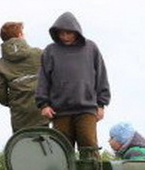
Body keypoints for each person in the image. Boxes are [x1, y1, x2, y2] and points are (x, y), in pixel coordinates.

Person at [36, 11, 111, 152]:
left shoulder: (90, 48)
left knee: (90, 149)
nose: (65, 37)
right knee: (61, 152)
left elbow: (101, 76)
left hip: (87, 109)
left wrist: (101, 104)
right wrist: (43, 104)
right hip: (59, 111)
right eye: (61, 33)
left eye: (68, 33)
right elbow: (43, 79)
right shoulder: (50, 51)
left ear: (76, 31)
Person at [0, 21, 49, 132]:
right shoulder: (39, 54)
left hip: (19, 113)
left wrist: (14, 102)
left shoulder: (0, 65)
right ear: (20, 35)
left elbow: (0, 94)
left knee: (22, 144)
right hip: (42, 109)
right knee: (45, 142)